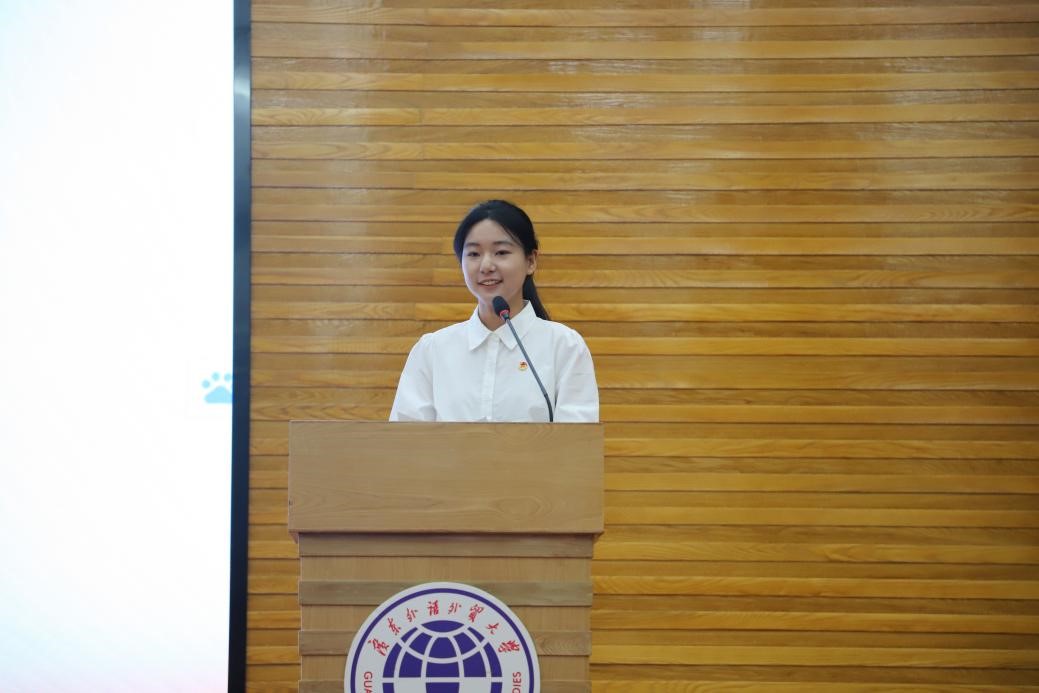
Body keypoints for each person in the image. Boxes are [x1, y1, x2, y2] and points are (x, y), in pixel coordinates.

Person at [389, 200, 599, 422]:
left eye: (501, 252)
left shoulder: (564, 346)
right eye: (473, 254)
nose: (486, 266)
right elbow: (405, 437)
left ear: (530, 261)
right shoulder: (433, 351)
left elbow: (577, 439)